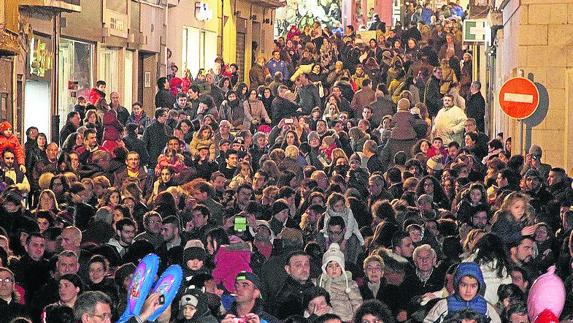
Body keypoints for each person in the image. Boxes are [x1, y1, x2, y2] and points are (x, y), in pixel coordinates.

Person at [424, 262, 501, 323]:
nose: (468, 290)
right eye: (464, 285)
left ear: (479, 286)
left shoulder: (485, 307)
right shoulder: (445, 305)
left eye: (473, 286)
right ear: (457, 284)